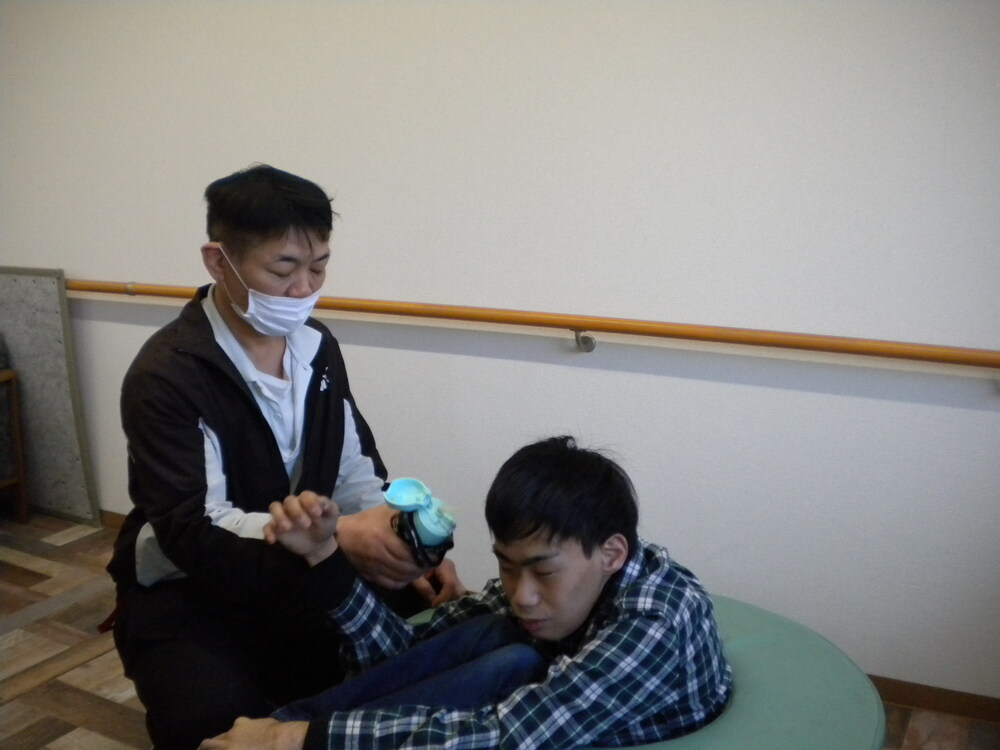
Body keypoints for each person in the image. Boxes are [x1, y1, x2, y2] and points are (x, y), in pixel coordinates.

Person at [105, 164, 464, 750]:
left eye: (318, 267)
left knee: (413, 640)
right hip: (191, 587)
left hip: (301, 565)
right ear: (218, 261)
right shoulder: (168, 374)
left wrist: (400, 539)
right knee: (210, 721)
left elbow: (353, 467)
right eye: (282, 270)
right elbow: (192, 530)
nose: (303, 289)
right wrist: (338, 537)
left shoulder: (317, 347)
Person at [201, 436, 733, 750]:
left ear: (612, 553)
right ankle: (286, 722)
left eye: (543, 572)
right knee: (501, 641)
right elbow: (400, 657)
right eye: (507, 567)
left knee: (516, 662)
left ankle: (288, 729)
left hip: (572, 727)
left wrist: (303, 741)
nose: (522, 595)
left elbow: (507, 736)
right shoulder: (533, 592)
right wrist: (323, 557)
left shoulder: (654, 623)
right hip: (534, 701)